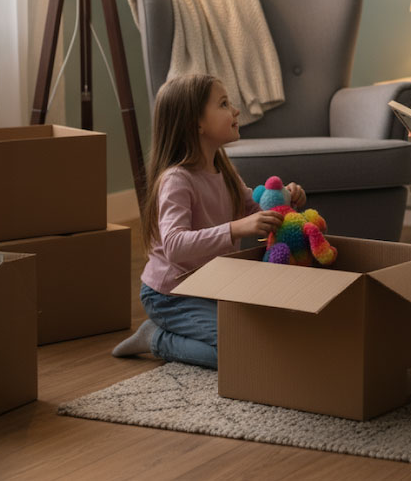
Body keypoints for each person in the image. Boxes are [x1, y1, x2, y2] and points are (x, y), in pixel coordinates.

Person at [111, 73, 307, 367]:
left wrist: (286, 203)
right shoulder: (177, 180)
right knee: (239, 350)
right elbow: (175, 245)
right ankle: (157, 339)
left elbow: (256, 214)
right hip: (170, 295)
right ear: (196, 123)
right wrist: (234, 229)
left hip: (210, 287)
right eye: (224, 104)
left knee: (265, 336)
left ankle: (178, 332)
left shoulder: (222, 169)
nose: (235, 111)